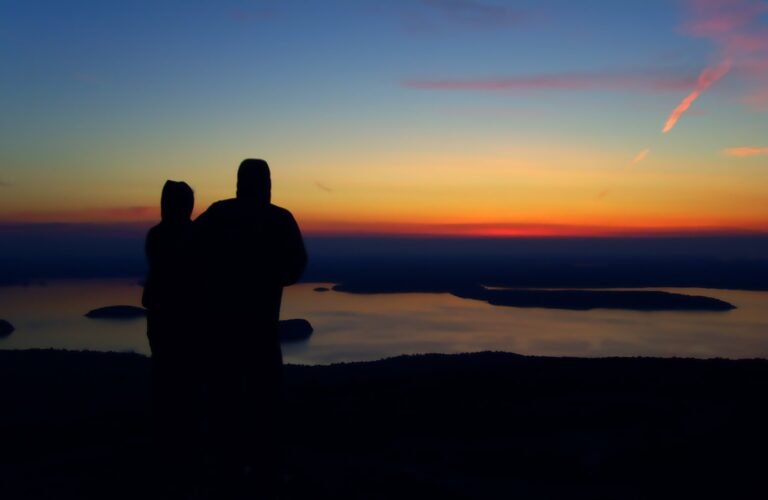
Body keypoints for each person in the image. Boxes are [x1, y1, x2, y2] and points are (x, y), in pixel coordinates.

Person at [195, 159, 307, 492]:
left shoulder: (218, 214)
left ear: (239, 181)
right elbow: (297, 265)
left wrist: (214, 282)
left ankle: (227, 465)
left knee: (224, 396)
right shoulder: (279, 218)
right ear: (267, 182)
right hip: (261, 325)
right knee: (265, 397)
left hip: (223, 327)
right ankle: (265, 468)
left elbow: (189, 251)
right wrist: (271, 280)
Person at [141, 180, 200, 490]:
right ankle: (180, 447)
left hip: (165, 317)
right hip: (182, 320)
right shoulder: (194, 237)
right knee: (182, 380)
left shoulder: (158, 235)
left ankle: (168, 444)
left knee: (167, 377)